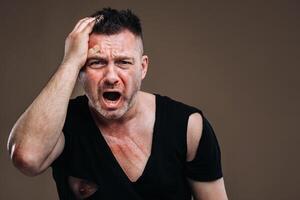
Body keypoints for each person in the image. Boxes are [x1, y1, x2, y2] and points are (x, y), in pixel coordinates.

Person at [7, 8, 228, 200]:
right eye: (97, 62)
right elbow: (27, 157)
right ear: (81, 72)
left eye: (123, 62)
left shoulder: (188, 127)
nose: (111, 76)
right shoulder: (64, 124)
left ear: (142, 68)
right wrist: (70, 61)